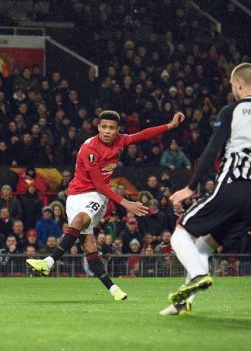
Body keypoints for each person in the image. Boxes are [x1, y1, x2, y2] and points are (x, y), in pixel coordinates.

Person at [161, 63, 251, 316]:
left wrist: (190, 188)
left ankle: (200, 275)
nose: (232, 90)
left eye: (232, 86)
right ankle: (183, 302)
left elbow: (211, 150)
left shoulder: (232, 110)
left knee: (180, 234)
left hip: (232, 185)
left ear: (239, 84)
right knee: (203, 247)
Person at [27, 109, 184, 301]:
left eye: (111, 128)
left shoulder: (121, 141)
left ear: (118, 129)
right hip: (75, 196)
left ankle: (48, 262)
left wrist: (170, 125)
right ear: (98, 127)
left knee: (79, 220)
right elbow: (100, 182)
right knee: (88, 245)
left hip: (97, 195)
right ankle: (113, 289)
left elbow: (142, 135)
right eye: (104, 127)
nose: (107, 131)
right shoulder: (89, 149)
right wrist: (127, 203)